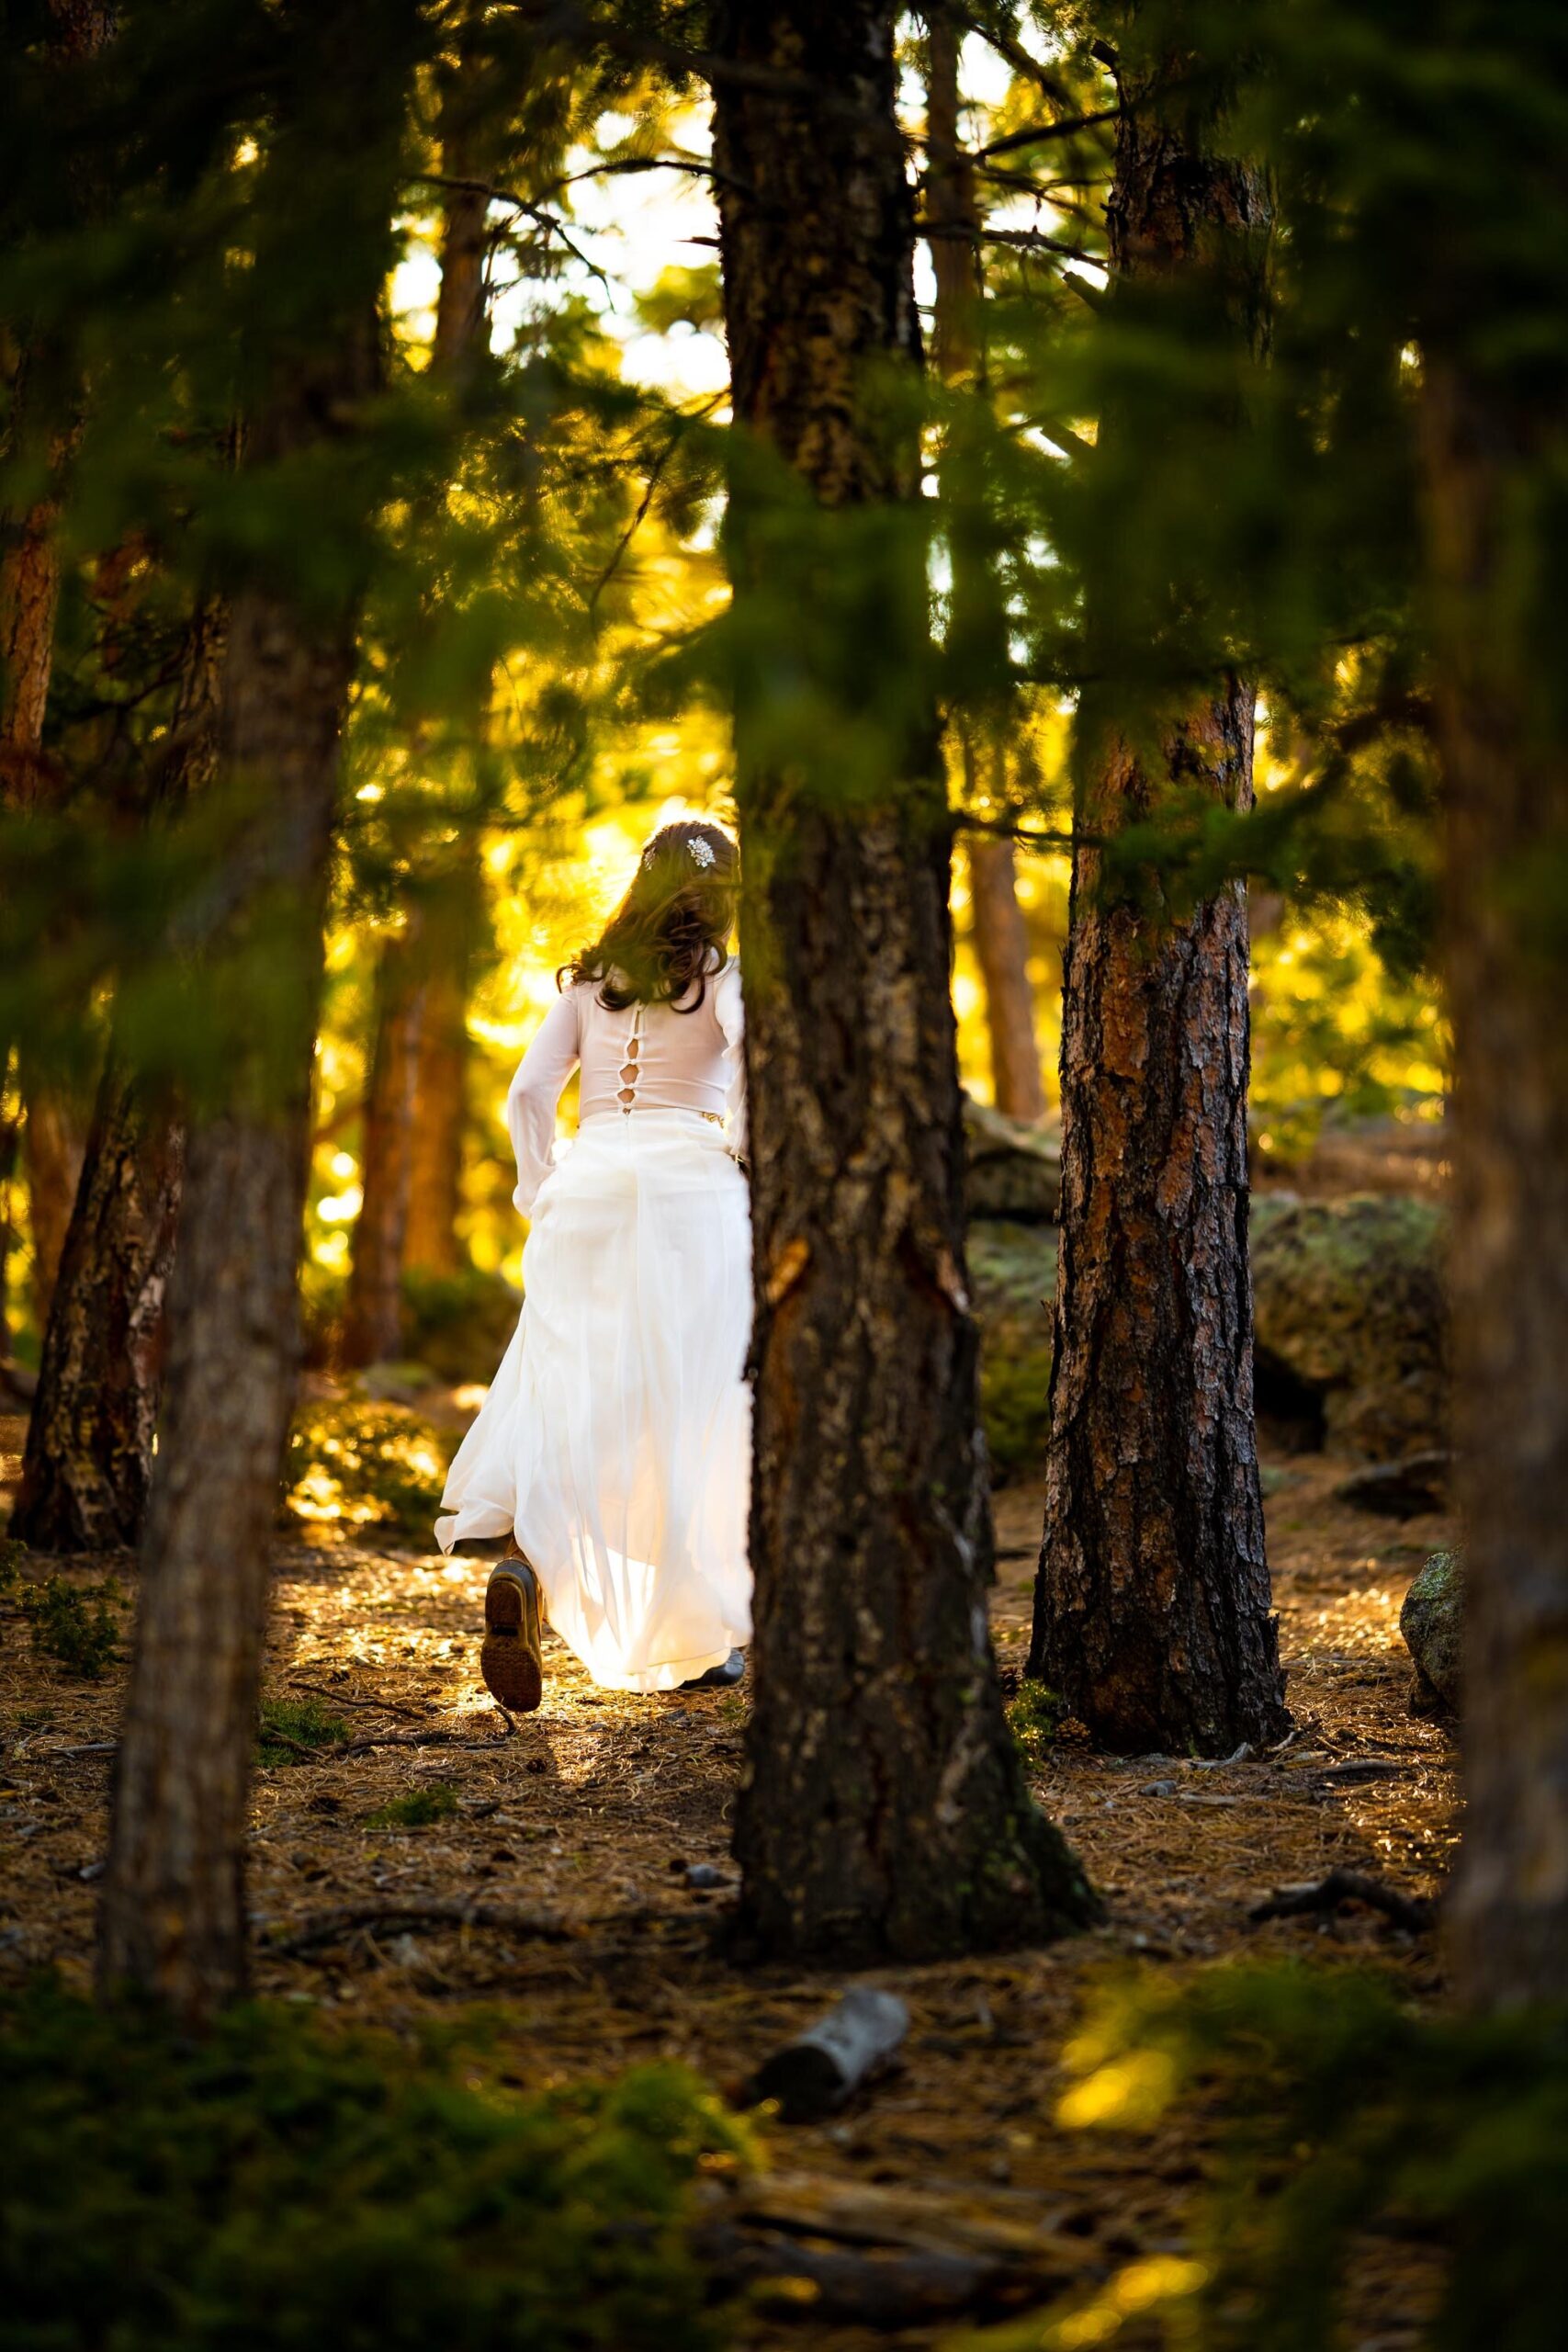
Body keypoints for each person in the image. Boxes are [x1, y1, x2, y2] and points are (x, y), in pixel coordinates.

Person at [436, 819, 752, 1709]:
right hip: (692, 1193)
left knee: (578, 1397)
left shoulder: (588, 982)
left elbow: (530, 1091)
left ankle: (528, 1567)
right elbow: (757, 1055)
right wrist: (746, 1150)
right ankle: (708, 1632)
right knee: (694, 1405)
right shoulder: (726, 973)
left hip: (589, 1188)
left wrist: (540, 1191)